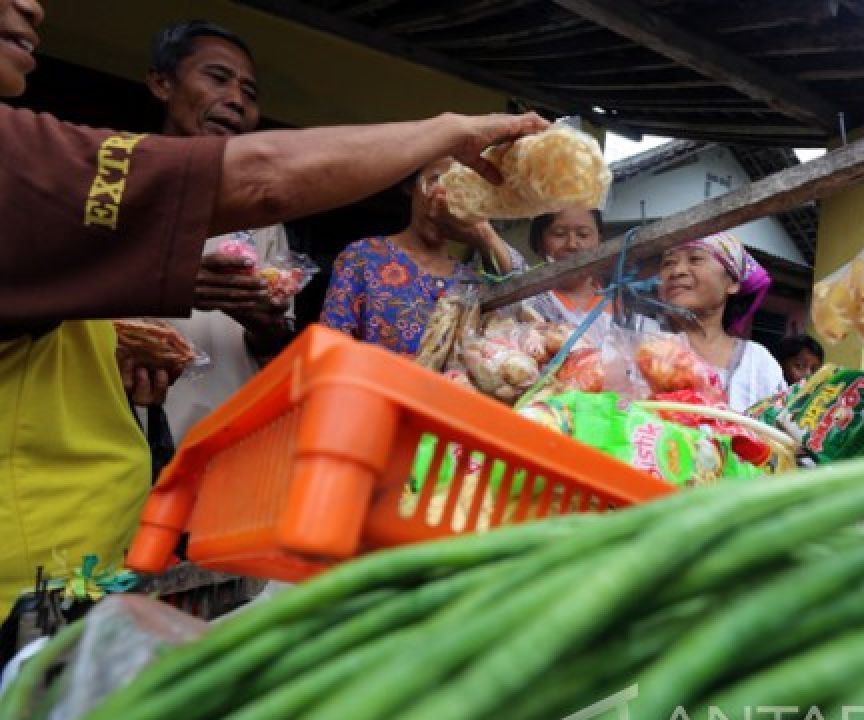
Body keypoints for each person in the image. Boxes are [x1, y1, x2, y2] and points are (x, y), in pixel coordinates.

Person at [0, 0, 547, 624]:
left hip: (123, 522)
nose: (31, 5)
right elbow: (265, 181)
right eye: (216, 78)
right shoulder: (45, 162)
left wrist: (113, 341)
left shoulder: (462, 268)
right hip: (32, 575)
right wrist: (450, 129)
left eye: (248, 89)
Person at [146, 21, 294, 441]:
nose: (235, 101)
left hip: (220, 440)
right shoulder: (116, 184)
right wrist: (170, 284)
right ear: (162, 83)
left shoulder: (260, 214)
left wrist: (264, 321)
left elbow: (276, 348)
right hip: (109, 432)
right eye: (217, 79)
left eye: (249, 94)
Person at [320, 157, 520, 354]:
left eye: (458, 187)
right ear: (411, 185)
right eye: (435, 180)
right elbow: (330, 348)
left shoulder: (473, 284)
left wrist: (483, 235)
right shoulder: (363, 256)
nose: (444, 196)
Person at [657, 232, 785, 411]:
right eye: (668, 263)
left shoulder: (758, 363)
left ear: (732, 282)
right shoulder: (639, 346)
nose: (677, 271)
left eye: (695, 259)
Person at [524, 206, 658, 337]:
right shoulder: (526, 304)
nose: (572, 244)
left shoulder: (628, 306)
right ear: (540, 242)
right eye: (559, 234)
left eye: (583, 235)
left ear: (599, 241)